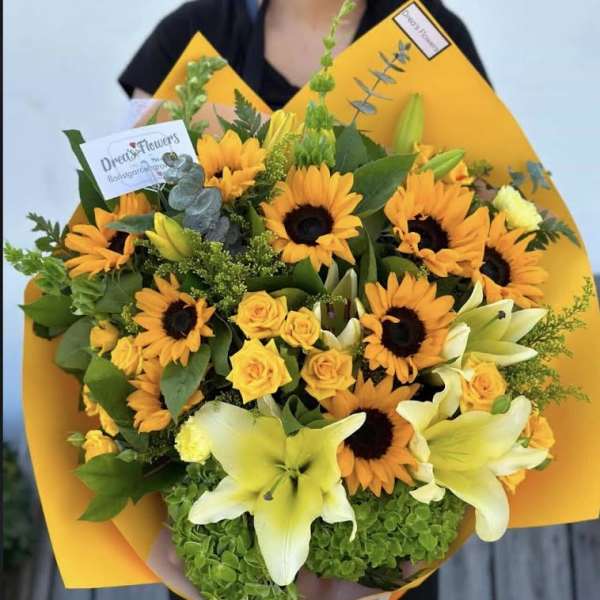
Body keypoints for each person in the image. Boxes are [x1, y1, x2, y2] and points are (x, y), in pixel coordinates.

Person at [120, 2, 488, 599]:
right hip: (230, 524)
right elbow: (129, 220)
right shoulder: (188, 36)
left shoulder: (431, 35)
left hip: (385, 494)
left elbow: (482, 211)